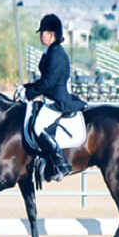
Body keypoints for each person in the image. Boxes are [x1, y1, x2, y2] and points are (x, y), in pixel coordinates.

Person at [23, 13, 87, 181]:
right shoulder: (51, 51)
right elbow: (44, 80)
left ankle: (61, 164)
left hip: (57, 101)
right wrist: (27, 87)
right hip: (49, 98)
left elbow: (49, 82)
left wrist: (30, 93)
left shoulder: (57, 54)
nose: (40, 35)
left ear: (51, 34)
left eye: (42, 32)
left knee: (38, 128)